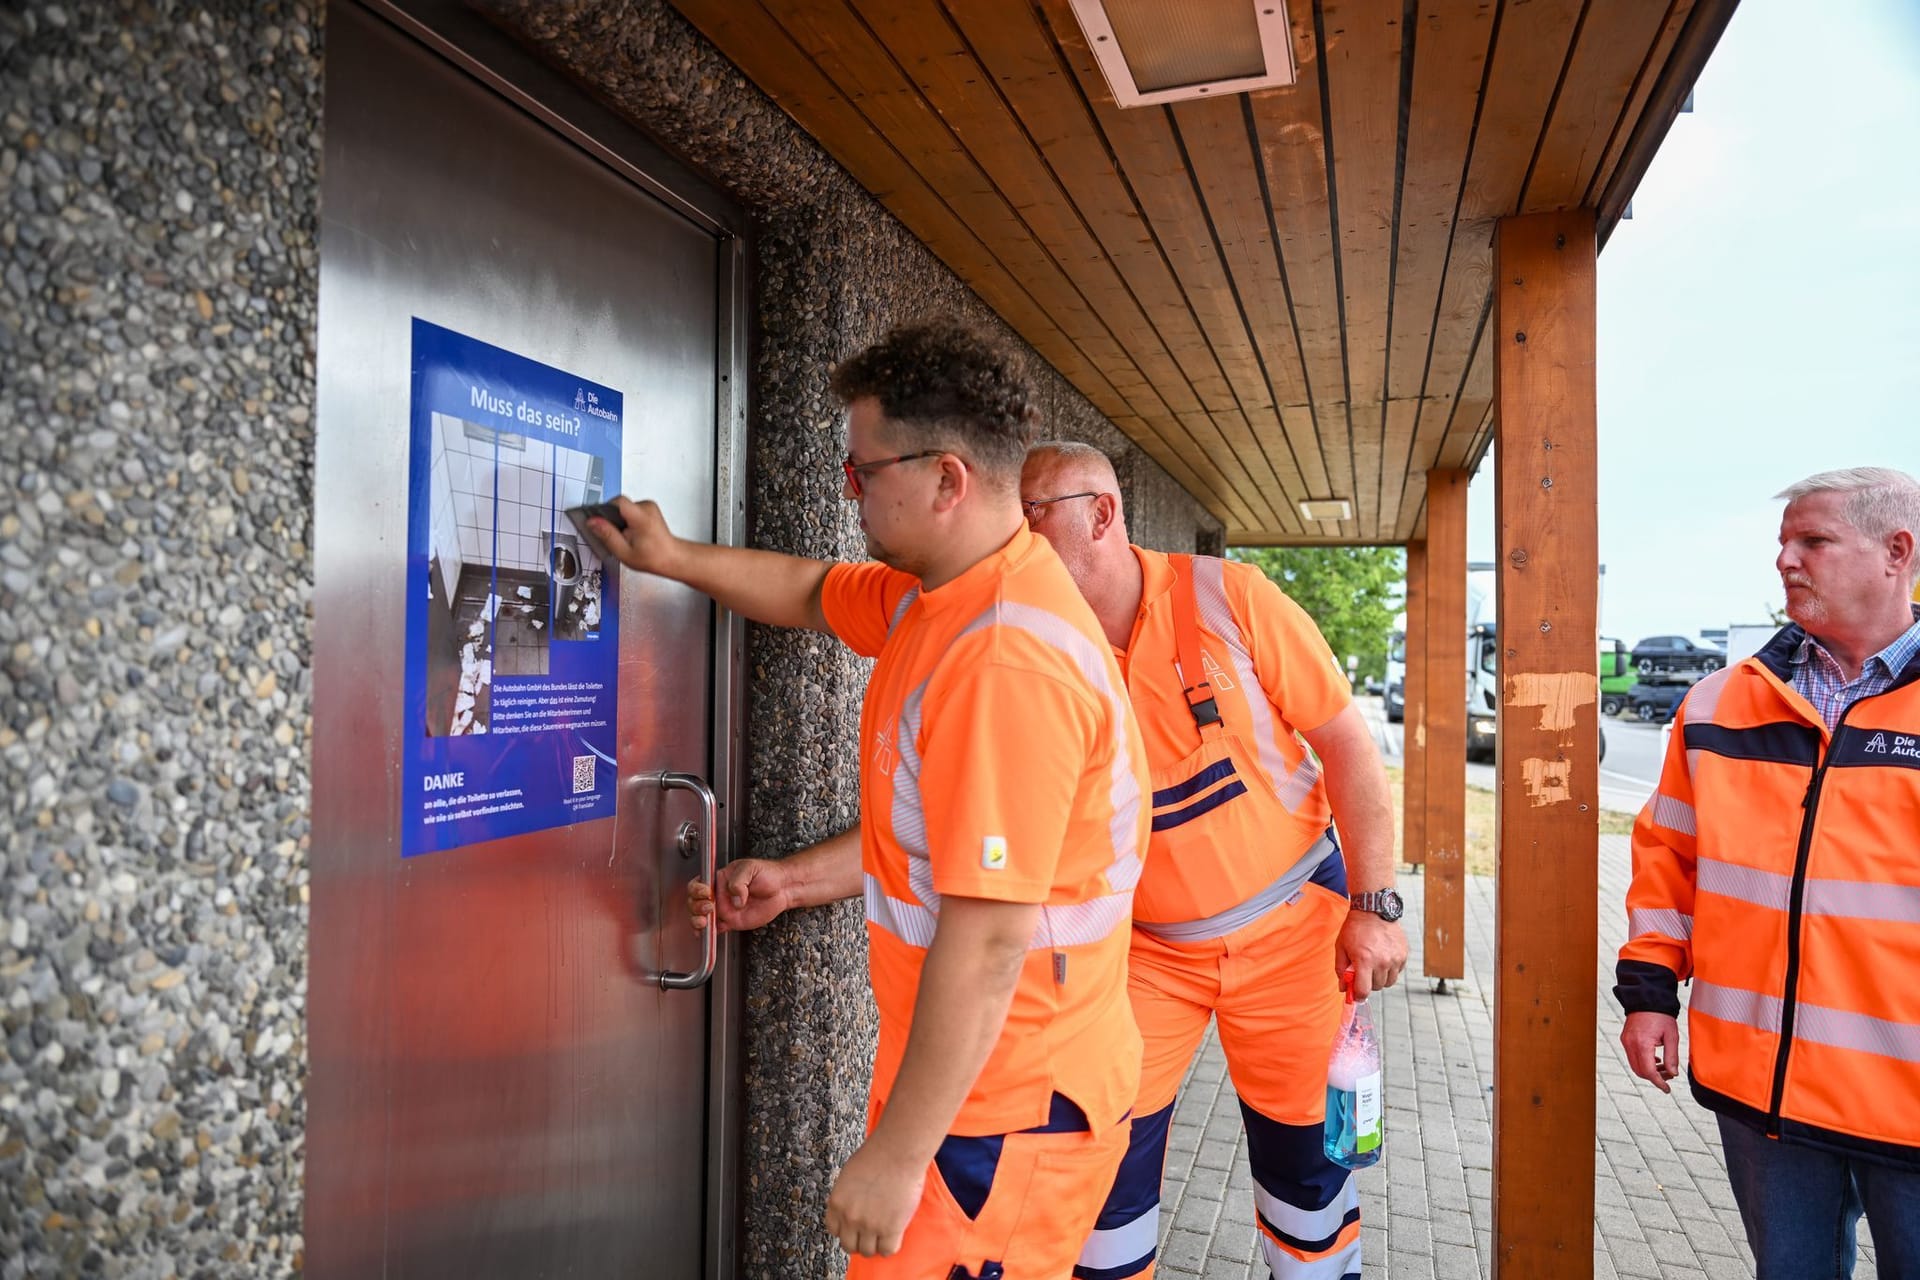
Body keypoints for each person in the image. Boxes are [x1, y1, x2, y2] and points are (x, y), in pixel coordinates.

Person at [695, 440, 1406, 1280]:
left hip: (1293, 933)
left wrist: (1375, 904)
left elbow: (1347, 747)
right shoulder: (994, 624)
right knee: (1107, 1197)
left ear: (1101, 514)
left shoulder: (1229, 599)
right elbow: (957, 827)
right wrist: (793, 882)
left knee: (1307, 1180)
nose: (1013, 534)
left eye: (1032, 514)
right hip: (1146, 958)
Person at [594, 321, 1149, 1280]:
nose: (850, 493)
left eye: (862, 474)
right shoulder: (937, 599)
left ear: (947, 479)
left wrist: (898, 1158)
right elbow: (812, 592)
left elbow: (987, 942)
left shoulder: (1004, 659)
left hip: (1002, 1115)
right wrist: (672, 557)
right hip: (972, 1089)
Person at [1617, 466, 1920, 1278]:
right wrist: (1649, 997)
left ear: (1898, 551)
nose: (1786, 560)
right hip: (1766, 1100)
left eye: (1813, 540)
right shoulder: (1719, 705)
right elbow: (1666, 863)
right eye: (1783, 543)